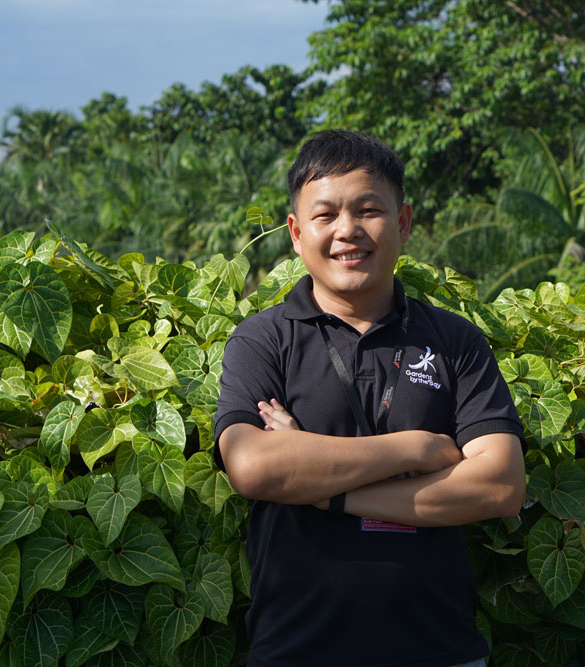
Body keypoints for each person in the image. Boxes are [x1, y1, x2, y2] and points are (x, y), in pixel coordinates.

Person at [214, 130, 526, 667]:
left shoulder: (454, 341)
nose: (347, 231)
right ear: (294, 232)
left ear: (403, 223)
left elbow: (499, 485)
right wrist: (417, 450)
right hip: (295, 651)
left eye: (367, 210)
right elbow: (252, 466)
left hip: (439, 652)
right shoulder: (263, 340)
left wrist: (326, 493)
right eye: (325, 215)